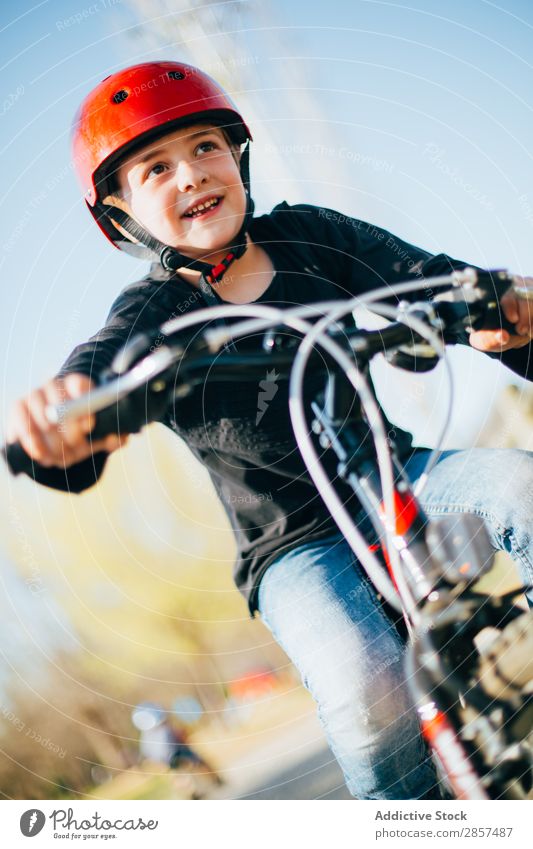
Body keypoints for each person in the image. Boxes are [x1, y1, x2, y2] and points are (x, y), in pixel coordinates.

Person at [5, 61, 533, 800]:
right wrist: (69, 417)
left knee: (519, 483)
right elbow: (99, 373)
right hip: (293, 546)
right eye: (155, 167)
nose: (190, 174)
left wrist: (496, 310)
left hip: (399, 475)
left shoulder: (313, 237)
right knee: (364, 687)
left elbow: (433, 281)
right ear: (121, 215)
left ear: (238, 157)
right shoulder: (151, 316)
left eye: (205, 148)